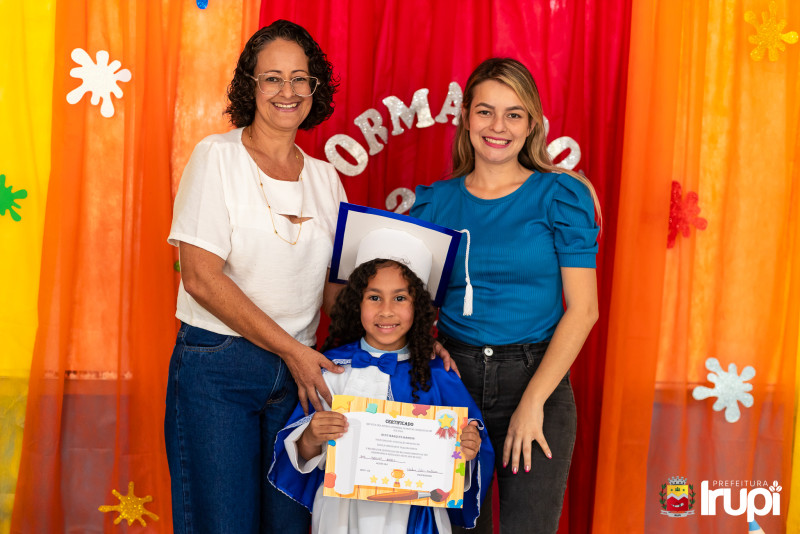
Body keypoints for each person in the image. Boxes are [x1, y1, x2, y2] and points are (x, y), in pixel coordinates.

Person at [165, 20, 347, 534]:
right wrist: (291, 351)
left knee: (289, 524)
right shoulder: (217, 157)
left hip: (299, 377)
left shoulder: (326, 178)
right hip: (220, 367)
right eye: (272, 78)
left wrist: (410, 338)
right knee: (223, 524)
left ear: (315, 87)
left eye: (299, 78)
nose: (287, 91)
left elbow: (334, 292)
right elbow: (200, 278)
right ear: (250, 86)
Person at [410, 57, 601, 533]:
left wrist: (533, 402)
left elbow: (584, 310)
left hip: (537, 377)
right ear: (465, 117)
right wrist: (424, 342)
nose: (498, 126)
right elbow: (412, 301)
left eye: (514, 114)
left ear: (531, 123)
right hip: (453, 383)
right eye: (485, 111)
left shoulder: (561, 194)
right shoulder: (434, 202)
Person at [269, 207, 495, 533]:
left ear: (418, 306)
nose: (386, 311)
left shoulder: (437, 375)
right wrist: (312, 436)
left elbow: (471, 448)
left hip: (416, 520)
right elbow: (302, 453)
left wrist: (468, 447)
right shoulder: (330, 370)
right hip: (341, 517)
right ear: (356, 303)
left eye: (400, 298)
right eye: (374, 297)